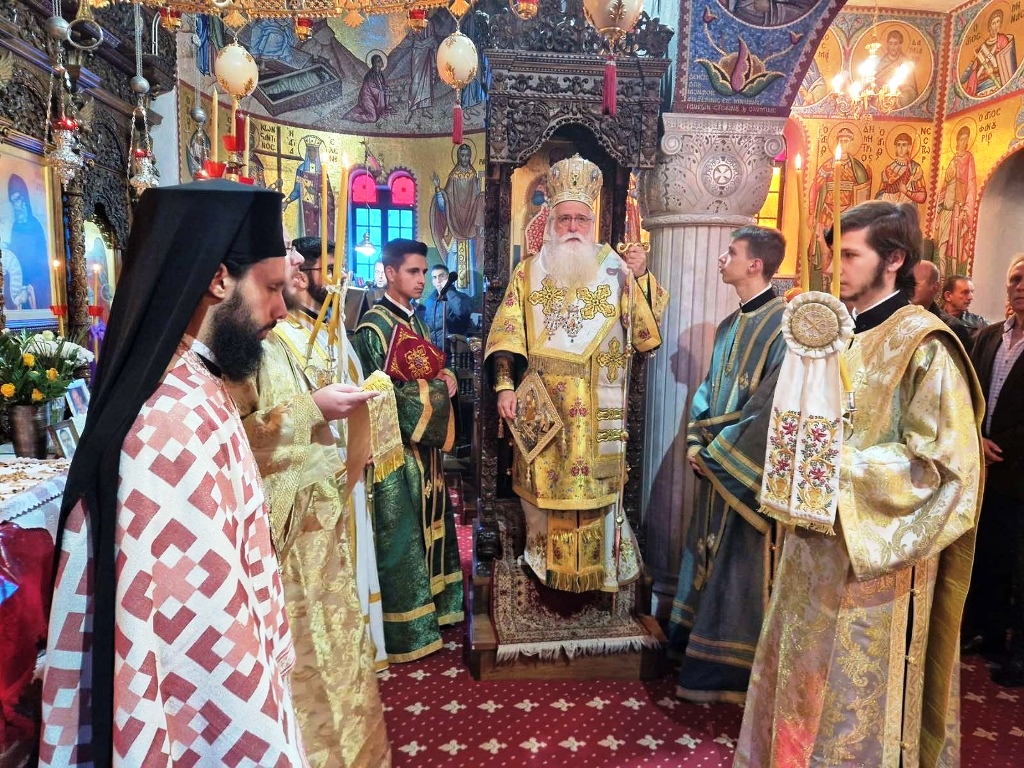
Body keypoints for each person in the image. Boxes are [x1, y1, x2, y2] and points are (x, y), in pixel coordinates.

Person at [40, 180, 307, 766]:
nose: (281, 311)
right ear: (218, 279)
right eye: (270, 288)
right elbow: (205, 634)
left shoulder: (194, 381)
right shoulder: (170, 419)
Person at [735, 201, 983, 766]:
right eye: (832, 255)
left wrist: (832, 466)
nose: (833, 268)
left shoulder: (924, 344)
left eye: (849, 255)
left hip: (875, 567)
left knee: (851, 706)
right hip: (808, 554)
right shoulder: (833, 335)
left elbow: (944, 469)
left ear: (893, 260)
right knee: (796, 690)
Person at [226, 229, 391, 766]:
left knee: (335, 662)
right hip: (283, 551)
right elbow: (231, 446)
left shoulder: (270, 339)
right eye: (273, 287)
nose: (280, 305)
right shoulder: (233, 352)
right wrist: (312, 409)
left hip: (320, 537)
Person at [484, 154, 669, 594]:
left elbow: (644, 336)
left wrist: (641, 278)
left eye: (581, 219)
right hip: (544, 406)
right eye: (564, 218)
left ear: (593, 222)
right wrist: (504, 387)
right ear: (550, 220)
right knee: (544, 494)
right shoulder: (528, 271)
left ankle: (600, 571)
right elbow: (507, 336)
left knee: (596, 494)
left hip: (597, 405)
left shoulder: (615, 270)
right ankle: (544, 569)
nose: (572, 227)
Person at [667, 226, 787, 704]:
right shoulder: (728, 325)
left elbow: (770, 406)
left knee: (737, 562)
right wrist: (696, 443)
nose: (722, 258)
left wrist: (716, 455)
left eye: (731, 252)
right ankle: (692, 645)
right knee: (703, 551)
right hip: (713, 461)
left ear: (755, 264)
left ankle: (728, 669)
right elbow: (707, 390)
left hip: (740, 467)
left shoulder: (784, 326)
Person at [351, 238, 464, 662]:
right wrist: (436, 391)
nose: (421, 280)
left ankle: (439, 608)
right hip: (395, 452)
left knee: (432, 526)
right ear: (390, 273)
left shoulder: (414, 320)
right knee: (403, 538)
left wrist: (448, 377)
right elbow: (381, 394)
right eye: (413, 272)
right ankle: (409, 629)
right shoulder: (374, 328)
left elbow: (431, 368)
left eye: (423, 272)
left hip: (425, 450)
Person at [963, 254, 1024, 684]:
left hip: (1019, 468)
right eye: (1016, 279)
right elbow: (965, 393)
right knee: (986, 555)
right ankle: (986, 632)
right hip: (982, 468)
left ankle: (1018, 652)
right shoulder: (986, 336)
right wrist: (974, 436)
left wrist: (1002, 446)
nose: (1021, 287)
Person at [809, 127, 871, 292]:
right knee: (824, 250)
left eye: (846, 141)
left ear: (851, 143)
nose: (843, 144)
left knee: (844, 251)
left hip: (848, 214)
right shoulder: (827, 166)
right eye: (841, 140)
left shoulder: (857, 168)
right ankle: (823, 289)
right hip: (827, 213)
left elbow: (863, 193)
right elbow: (815, 187)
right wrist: (811, 212)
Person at [934, 126, 977, 277]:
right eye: (961, 139)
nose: (963, 142)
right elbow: (944, 187)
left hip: (958, 208)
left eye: (966, 139)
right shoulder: (952, 160)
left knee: (954, 249)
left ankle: (954, 279)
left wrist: (967, 207)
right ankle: (941, 280)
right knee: (942, 247)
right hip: (947, 209)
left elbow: (971, 184)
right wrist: (939, 210)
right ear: (957, 141)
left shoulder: (969, 158)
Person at [4, 174, 47, 309]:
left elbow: (43, 267)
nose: (15, 206)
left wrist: (30, 289)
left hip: (32, 288)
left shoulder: (35, 226)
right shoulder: (15, 227)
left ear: (24, 199)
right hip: (16, 287)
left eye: (17, 199)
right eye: (12, 201)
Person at [910, 260, 972, 348]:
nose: (908, 288)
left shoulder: (951, 327)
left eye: (915, 284)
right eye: (905, 283)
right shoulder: (896, 316)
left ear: (935, 287)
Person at [962, 9, 1018, 98]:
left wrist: (994, 70)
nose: (996, 25)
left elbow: (1007, 63)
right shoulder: (982, 47)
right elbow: (978, 67)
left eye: (998, 22)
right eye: (993, 23)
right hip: (980, 85)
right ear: (989, 26)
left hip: (996, 81)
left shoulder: (1002, 40)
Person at [417, 263, 473, 351]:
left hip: (452, 351)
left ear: (448, 277)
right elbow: (427, 325)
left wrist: (448, 289)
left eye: (441, 276)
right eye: (434, 277)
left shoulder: (462, 297)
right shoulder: (430, 301)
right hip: (432, 349)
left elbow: (462, 312)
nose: (438, 280)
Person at [875, 132, 926, 212]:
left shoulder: (915, 168)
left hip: (906, 212)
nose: (901, 148)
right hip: (889, 212)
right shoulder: (888, 169)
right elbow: (879, 195)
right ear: (895, 147)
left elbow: (922, 197)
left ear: (909, 147)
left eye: (904, 145)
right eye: (898, 145)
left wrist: (906, 192)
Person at [874, 29, 919, 107]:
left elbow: (911, 86)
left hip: (901, 91)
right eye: (891, 43)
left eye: (895, 44)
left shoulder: (905, 61)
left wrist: (901, 90)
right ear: (887, 45)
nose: (892, 47)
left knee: (906, 96)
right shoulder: (882, 62)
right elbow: (875, 81)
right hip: (883, 91)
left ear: (900, 45)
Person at [345, 53, 391, 124]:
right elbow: (373, 90)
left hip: (374, 97)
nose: (381, 62)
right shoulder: (370, 75)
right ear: (374, 64)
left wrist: (386, 89)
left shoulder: (380, 74)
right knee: (373, 118)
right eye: (379, 61)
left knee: (386, 93)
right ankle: (352, 116)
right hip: (367, 98)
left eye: (381, 60)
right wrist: (383, 91)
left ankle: (383, 108)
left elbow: (381, 86)